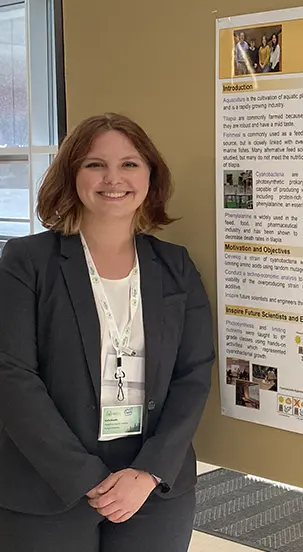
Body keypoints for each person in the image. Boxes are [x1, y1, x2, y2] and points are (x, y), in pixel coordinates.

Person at [0, 113, 215, 551]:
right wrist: (84, 477)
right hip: (46, 482)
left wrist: (149, 472)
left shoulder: (176, 266)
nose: (113, 178)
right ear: (72, 175)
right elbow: (12, 374)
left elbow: (194, 374)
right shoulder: (27, 260)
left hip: (153, 481)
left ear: (150, 176)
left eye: (130, 164)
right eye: (95, 164)